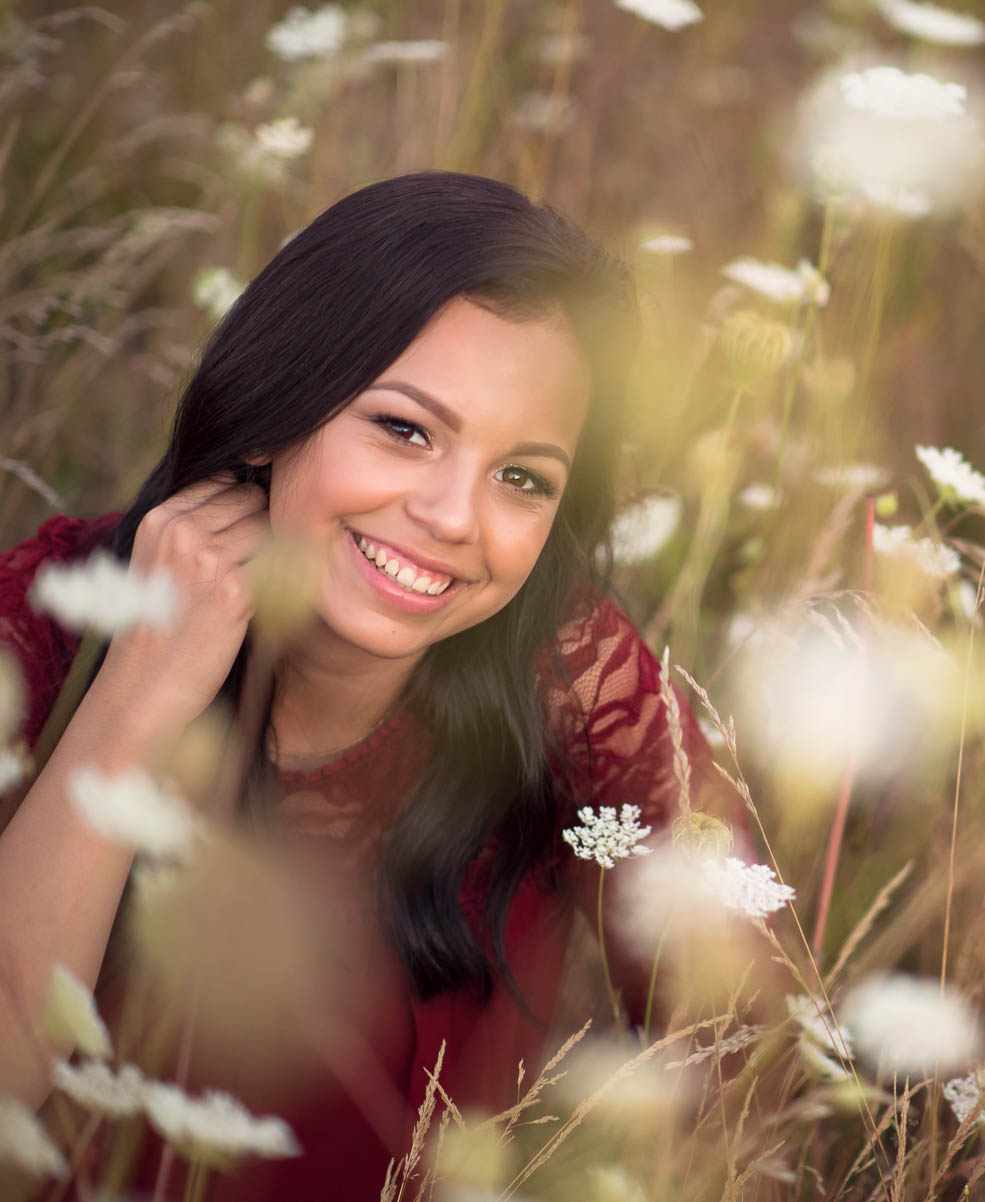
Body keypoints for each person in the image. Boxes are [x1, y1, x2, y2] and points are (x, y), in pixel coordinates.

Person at [0, 172, 724, 1199]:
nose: (453, 515)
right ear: (270, 411)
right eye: (406, 428)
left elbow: (746, 1047)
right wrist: (138, 695)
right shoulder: (48, 623)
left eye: (523, 477)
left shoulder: (572, 684)